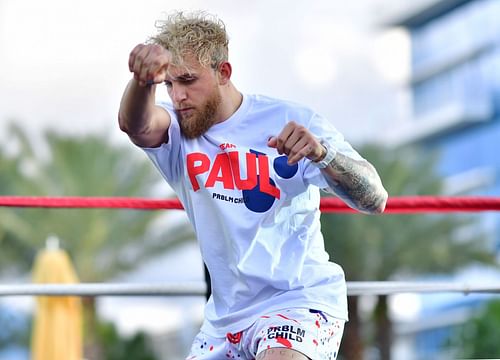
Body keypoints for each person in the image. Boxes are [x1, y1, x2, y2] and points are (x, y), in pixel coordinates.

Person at [118, 10, 388, 360]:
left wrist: (323, 154)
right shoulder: (177, 131)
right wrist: (142, 82)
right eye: (168, 84)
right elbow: (135, 125)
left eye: (187, 81)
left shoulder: (291, 120)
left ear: (223, 73)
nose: (178, 95)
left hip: (299, 302)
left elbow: (375, 199)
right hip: (224, 320)